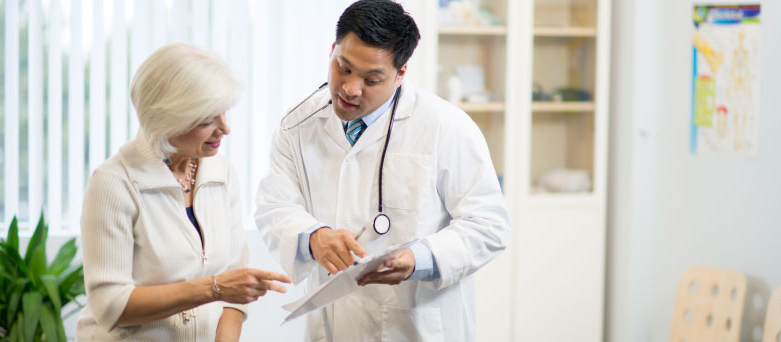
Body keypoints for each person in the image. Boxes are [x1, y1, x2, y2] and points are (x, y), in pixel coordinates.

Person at [254, 1, 510, 340]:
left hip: (416, 326)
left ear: (401, 73)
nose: (350, 89)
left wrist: (419, 258)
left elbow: (489, 225)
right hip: (334, 325)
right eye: (343, 68)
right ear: (333, 49)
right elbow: (274, 204)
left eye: (371, 79)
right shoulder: (298, 124)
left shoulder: (445, 127)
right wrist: (314, 237)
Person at [77, 43, 291, 341]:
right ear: (165, 119)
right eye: (207, 120)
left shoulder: (222, 174)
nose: (224, 129)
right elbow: (111, 304)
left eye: (224, 113)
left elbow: (233, 285)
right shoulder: (114, 183)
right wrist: (213, 287)